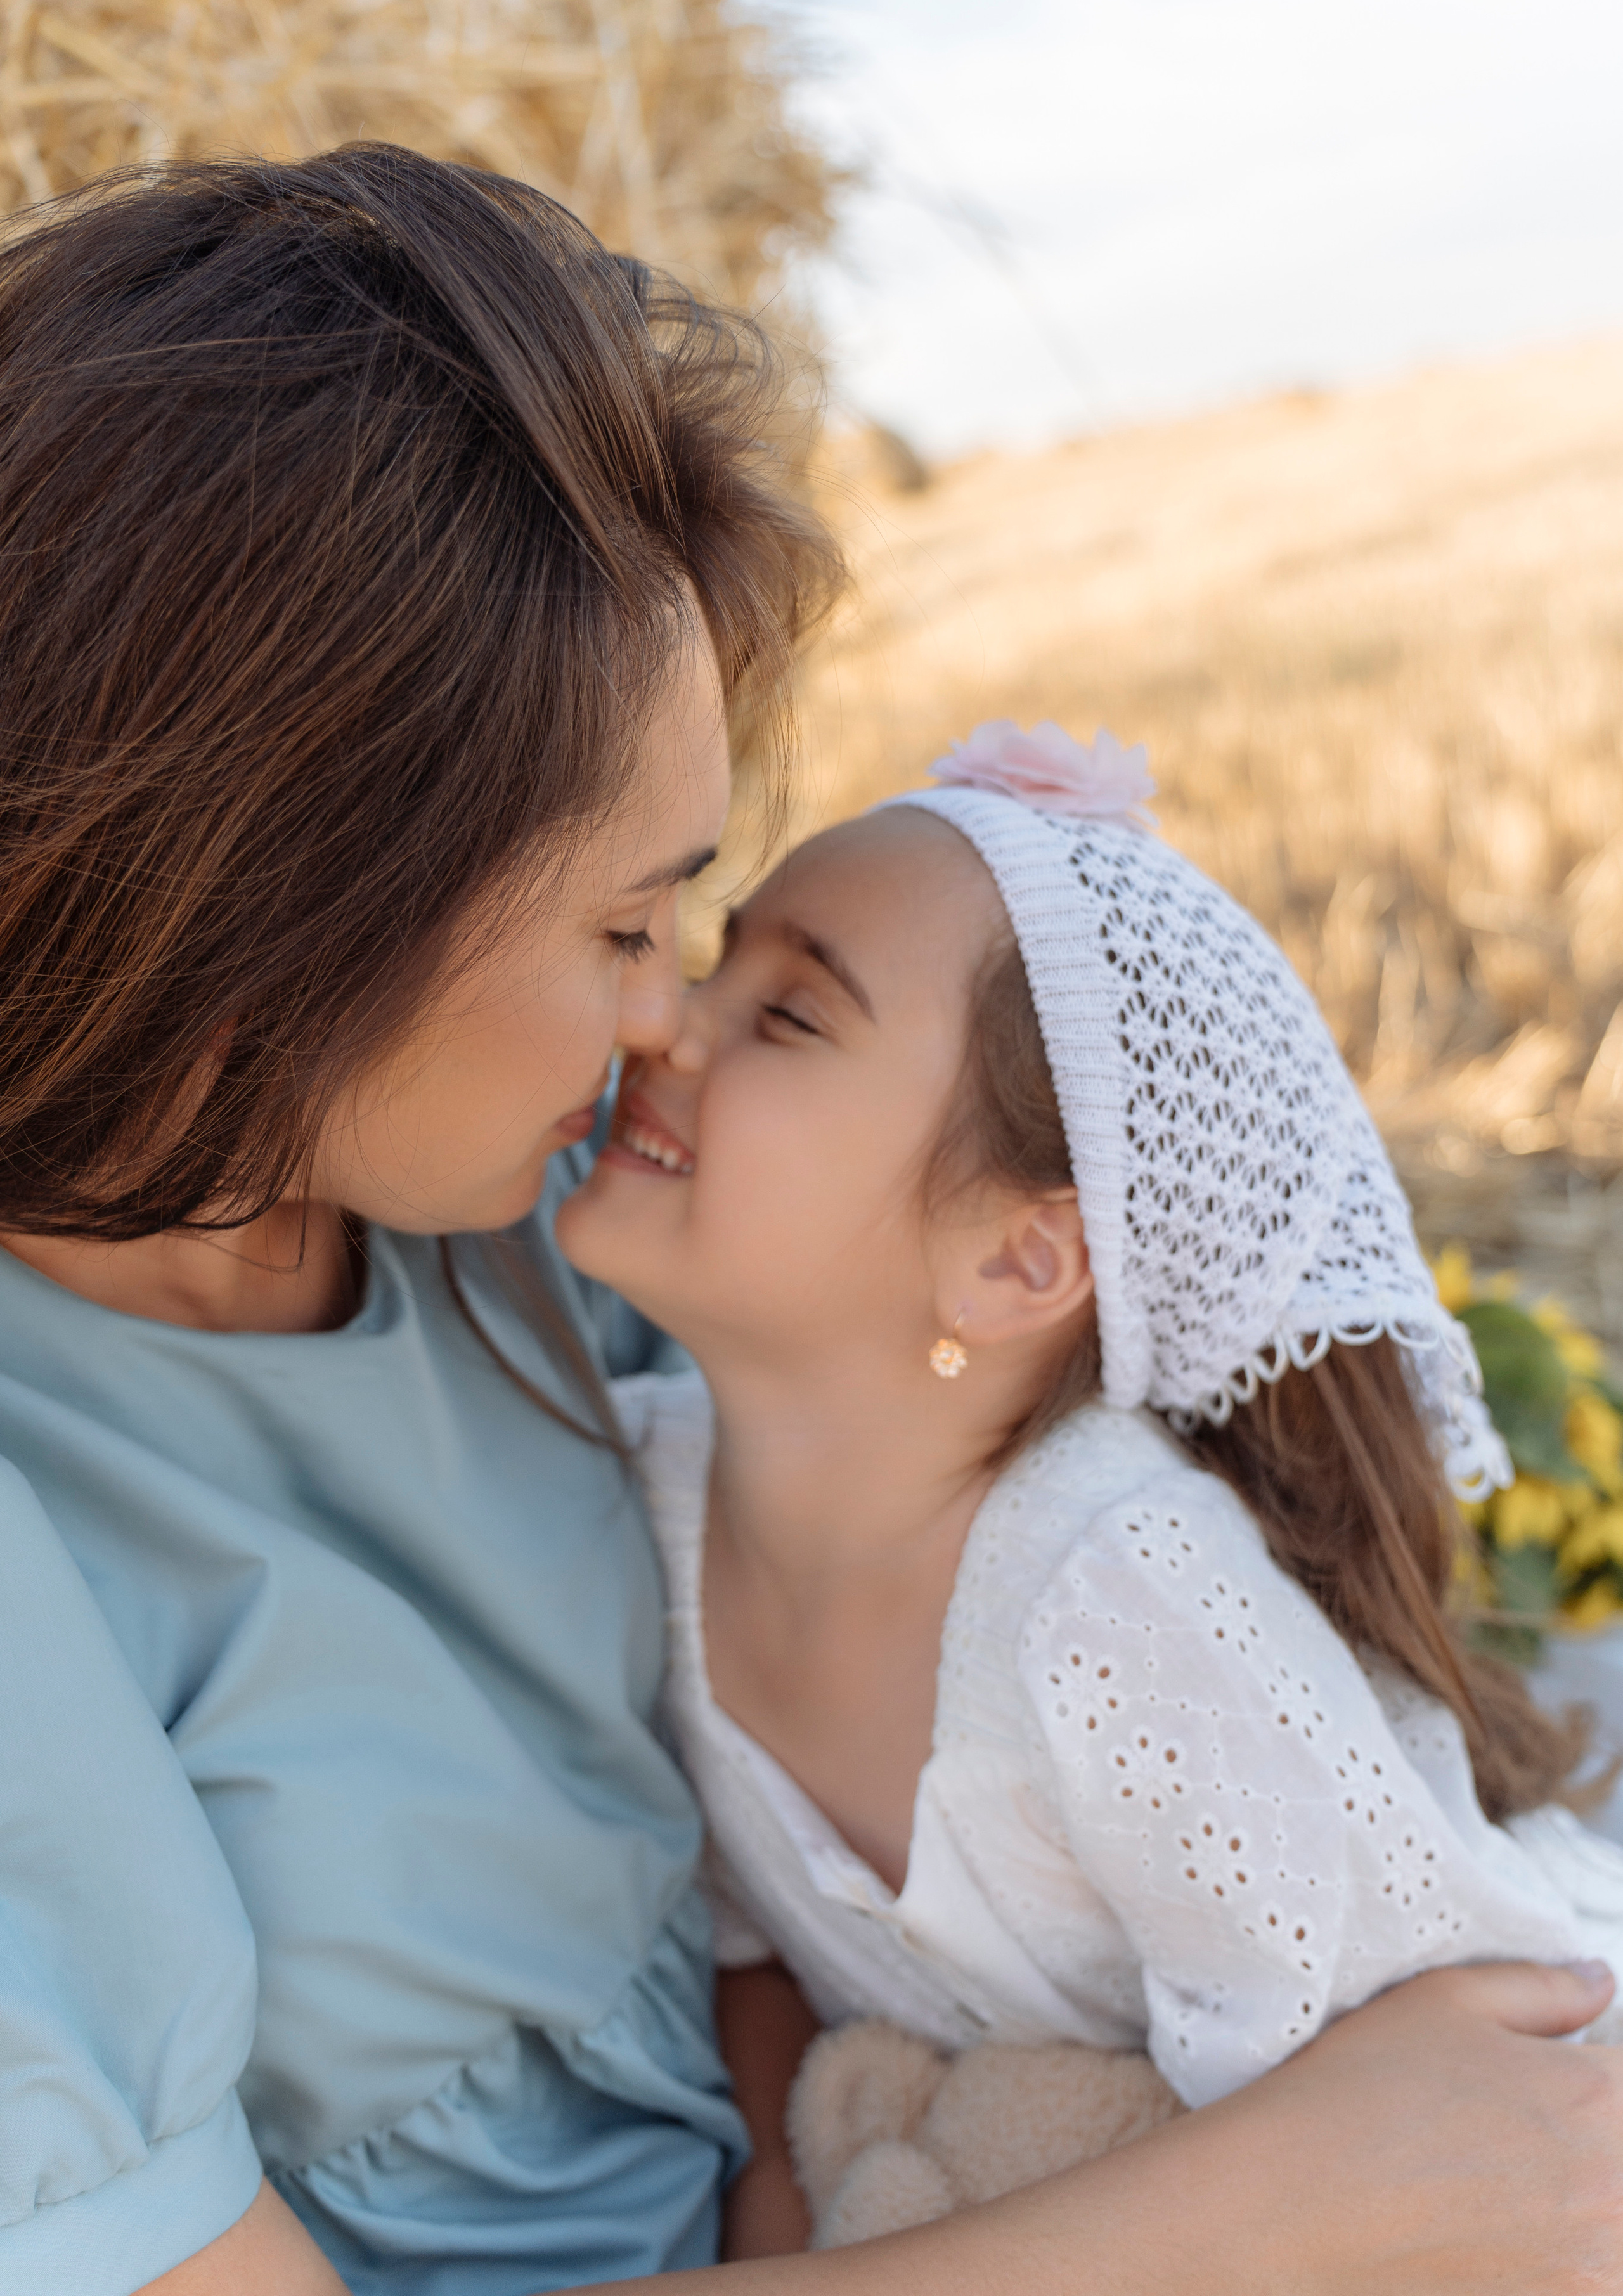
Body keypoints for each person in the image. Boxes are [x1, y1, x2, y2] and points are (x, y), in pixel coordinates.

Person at [0, 147, 1619, 2296]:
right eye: (629, 921)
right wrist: (1313, 2198)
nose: (668, 1018)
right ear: (282, 925)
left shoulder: (515, 1212)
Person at [556, 717, 1623, 2250]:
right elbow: (752, 1957)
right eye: (717, 960)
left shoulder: (1114, 1603)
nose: (662, 1022)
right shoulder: (643, 1500)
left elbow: (1416, 2128)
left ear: (1016, 1259)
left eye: (788, 1013)